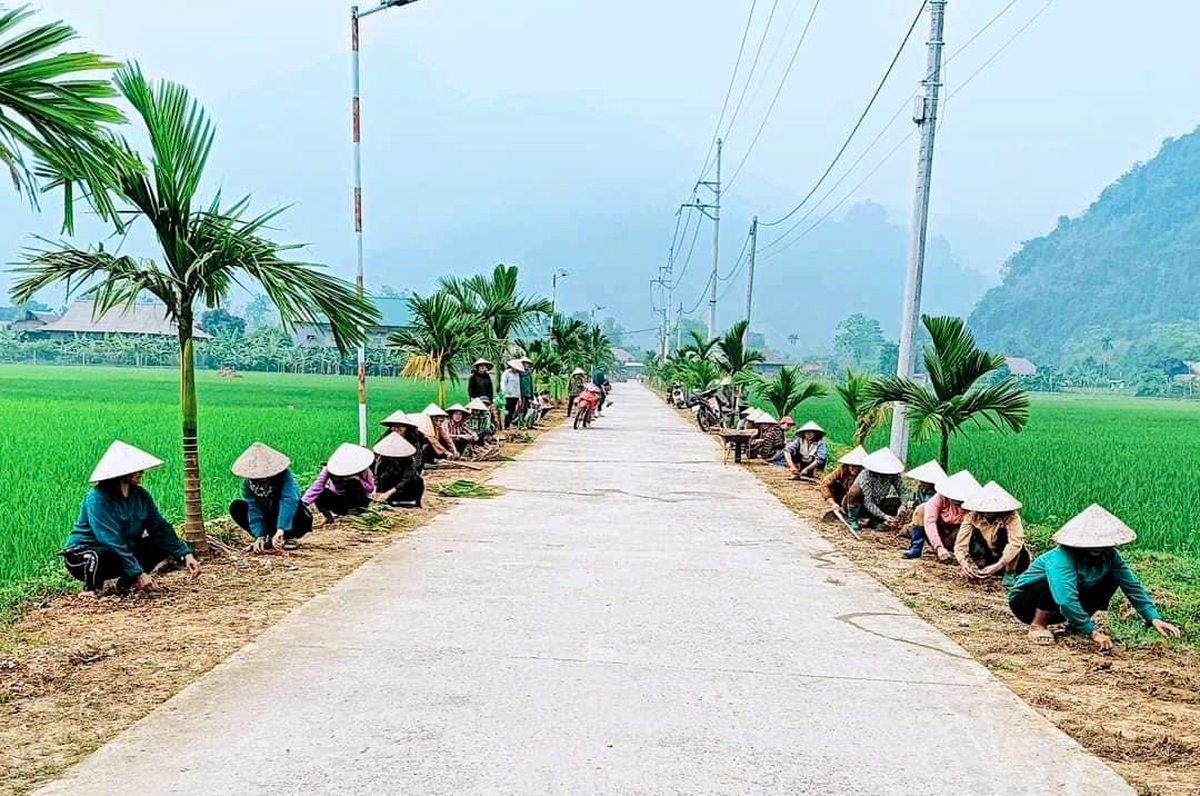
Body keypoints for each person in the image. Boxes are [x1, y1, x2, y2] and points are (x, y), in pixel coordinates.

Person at [1009, 504, 1180, 650]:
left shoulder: (1110, 556)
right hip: (1026, 603)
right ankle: (1038, 624)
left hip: (1062, 610)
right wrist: (1092, 632)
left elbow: (1132, 585)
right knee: (1051, 580)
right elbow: (1065, 598)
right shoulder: (1061, 557)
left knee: (1112, 577)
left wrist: (1153, 617)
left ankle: (1075, 624)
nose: (1097, 547)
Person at [62, 441, 200, 596]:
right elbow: (109, 538)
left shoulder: (140, 495)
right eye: (136, 469)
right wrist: (139, 572)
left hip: (121, 549)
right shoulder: (97, 497)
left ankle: (128, 581)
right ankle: (92, 588)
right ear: (121, 473)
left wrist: (185, 554)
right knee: (104, 553)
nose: (141, 472)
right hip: (86, 555)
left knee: (159, 544)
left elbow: (159, 527)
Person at [229, 442, 312, 553]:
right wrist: (259, 535)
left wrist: (281, 529)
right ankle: (265, 538)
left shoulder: (284, 476)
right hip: (267, 516)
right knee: (237, 506)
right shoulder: (248, 484)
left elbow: (289, 500)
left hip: (288, 517)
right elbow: (254, 508)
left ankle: (287, 536)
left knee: (298, 507)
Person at [956, 481, 1031, 584]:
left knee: (1006, 536)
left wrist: (998, 565)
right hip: (988, 554)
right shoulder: (972, 516)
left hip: (1009, 559)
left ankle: (1010, 572)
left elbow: (1015, 543)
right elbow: (960, 545)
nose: (987, 513)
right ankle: (978, 567)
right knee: (974, 535)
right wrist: (964, 564)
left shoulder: (1011, 516)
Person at [903, 469, 978, 561]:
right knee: (921, 509)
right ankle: (916, 548)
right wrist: (939, 547)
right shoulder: (939, 498)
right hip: (940, 533)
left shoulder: (973, 505)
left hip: (958, 536)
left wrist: (960, 552)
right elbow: (930, 522)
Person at [302, 443, 376, 523]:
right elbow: (317, 486)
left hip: (359, 503)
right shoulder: (329, 468)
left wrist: (358, 479)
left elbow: (370, 488)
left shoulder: (362, 469)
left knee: (353, 483)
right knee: (321, 493)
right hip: (340, 502)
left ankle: (353, 513)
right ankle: (328, 518)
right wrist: (303, 504)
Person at [844, 448, 907, 531]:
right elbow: (868, 502)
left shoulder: (893, 474)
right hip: (860, 505)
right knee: (855, 491)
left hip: (878, 503)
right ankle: (853, 519)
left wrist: (903, 505)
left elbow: (903, 491)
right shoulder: (866, 475)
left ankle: (871, 521)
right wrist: (884, 516)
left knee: (896, 502)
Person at [372, 433, 425, 508]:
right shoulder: (383, 458)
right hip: (388, 489)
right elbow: (377, 476)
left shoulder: (408, 459)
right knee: (385, 476)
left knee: (417, 480)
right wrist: (375, 491)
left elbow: (406, 478)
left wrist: (389, 492)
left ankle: (413, 501)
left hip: (404, 490)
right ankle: (387, 500)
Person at [820, 445, 867, 513]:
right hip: (844, 496)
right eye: (852, 465)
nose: (854, 469)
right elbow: (825, 483)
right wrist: (832, 503)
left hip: (859, 500)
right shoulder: (842, 470)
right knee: (833, 485)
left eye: (858, 466)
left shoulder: (866, 475)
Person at [501, 359, 524, 429]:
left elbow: (518, 386)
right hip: (508, 396)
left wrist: (519, 398)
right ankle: (506, 426)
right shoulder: (506, 373)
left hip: (515, 396)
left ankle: (509, 425)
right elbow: (503, 383)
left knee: (513, 411)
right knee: (508, 411)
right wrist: (504, 391)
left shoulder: (517, 375)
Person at [518, 357, 535, 423]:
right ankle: (520, 422)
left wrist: (531, 396)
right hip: (521, 393)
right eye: (524, 364)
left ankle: (524, 422)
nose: (526, 365)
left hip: (527, 394)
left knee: (526, 408)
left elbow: (531, 385)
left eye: (527, 364)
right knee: (520, 408)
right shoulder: (519, 373)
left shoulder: (529, 374)